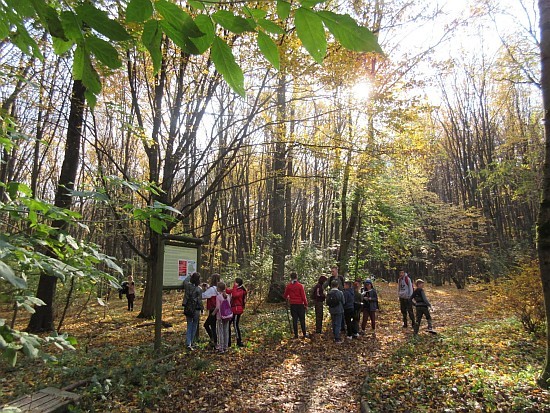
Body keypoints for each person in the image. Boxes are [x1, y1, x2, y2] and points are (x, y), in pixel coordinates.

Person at [283, 272, 308, 339]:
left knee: (294, 319)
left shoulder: (289, 286)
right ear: (296, 277)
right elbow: (303, 296)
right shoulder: (300, 286)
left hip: (293, 305)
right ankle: (304, 334)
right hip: (300, 304)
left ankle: (296, 335)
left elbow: (285, 295)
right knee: (302, 319)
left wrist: (288, 297)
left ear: (291, 277)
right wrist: (306, 304)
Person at [182, 272, 203, 350]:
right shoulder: (199, 289)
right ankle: (192, 342)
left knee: (189, 325)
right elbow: (200, 301)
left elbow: (185, 281)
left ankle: (188, 343)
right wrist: (202, 309)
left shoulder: (187, 286)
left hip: (188, 307)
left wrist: (189, 275)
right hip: (196, 309)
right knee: (194, 325)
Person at [226, 277, 247, 347]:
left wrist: (235, 286)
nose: (233, 284)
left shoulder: (241, 291)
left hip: (237, 310)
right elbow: (229, 291)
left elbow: (234, 295)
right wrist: (223, 287)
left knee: (235, 325)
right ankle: (228, 341)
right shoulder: (236, 289)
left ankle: (239, 341)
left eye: (235, 282)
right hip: (233, 309)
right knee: (228, 324)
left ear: (237, 283)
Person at [202, 273, 221, 346]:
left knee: (206, 325)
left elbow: (203, 296)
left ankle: (213, 339)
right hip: (218, 309)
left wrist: (203, 290)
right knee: (213, 325)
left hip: (213, 310)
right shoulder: (219, 288)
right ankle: (214, 340)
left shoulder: (212, 289)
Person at [213, 281, 231, 353]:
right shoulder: (228, 296)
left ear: (219, 288)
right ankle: (225, 347)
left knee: (220, 332)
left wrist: (213, 313)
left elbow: (217, 307)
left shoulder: (218, 297)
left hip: (220, 316)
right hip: (227, 316)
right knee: (226, 331)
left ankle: (221, 347)